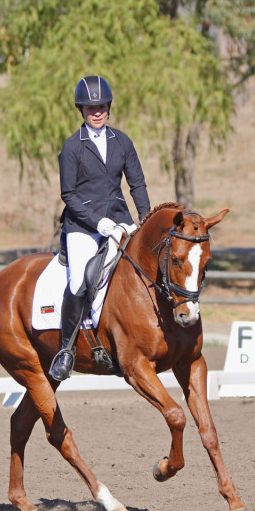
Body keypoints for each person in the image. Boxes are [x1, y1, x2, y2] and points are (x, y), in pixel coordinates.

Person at [50, 75, 151, 381]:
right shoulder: (72, 147)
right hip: (83, 226)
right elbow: (68, 194)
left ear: (109, 107)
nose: (97, 111)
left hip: (119, 220)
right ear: (81, 109)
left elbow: (137, 183)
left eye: (101, 106)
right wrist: (97, 222)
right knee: (81, 280)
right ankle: (66, 350)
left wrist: (144, 220)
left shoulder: (122, 142)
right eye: (90, 107)